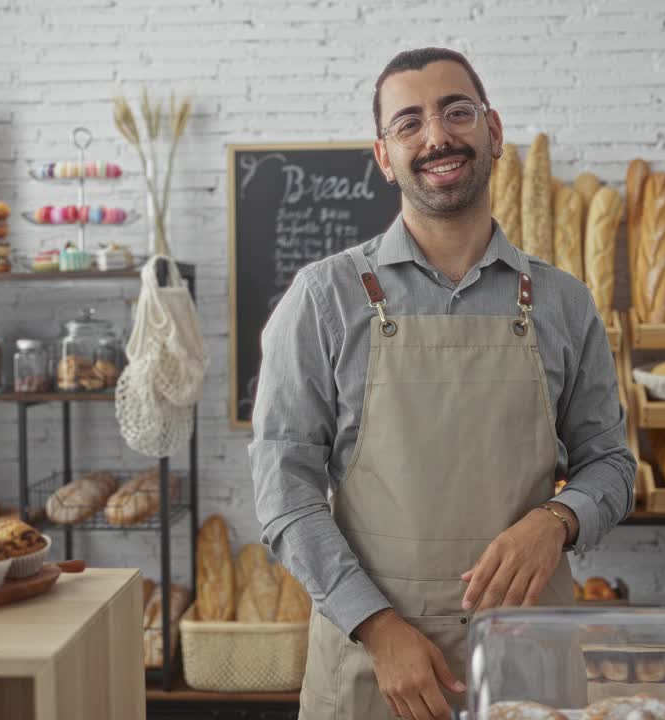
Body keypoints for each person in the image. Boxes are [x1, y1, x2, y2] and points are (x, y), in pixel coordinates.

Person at [250, 47, 636, 720]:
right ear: (384, 156)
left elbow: (610, 464)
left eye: (457, 111)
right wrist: (377, 626)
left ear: (493, 131)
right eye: (409, 123)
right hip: (374, 667)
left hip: (530, 656)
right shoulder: (324, 297)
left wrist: (558, 519)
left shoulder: (564, 303)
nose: (437, 136)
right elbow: (285, 494)